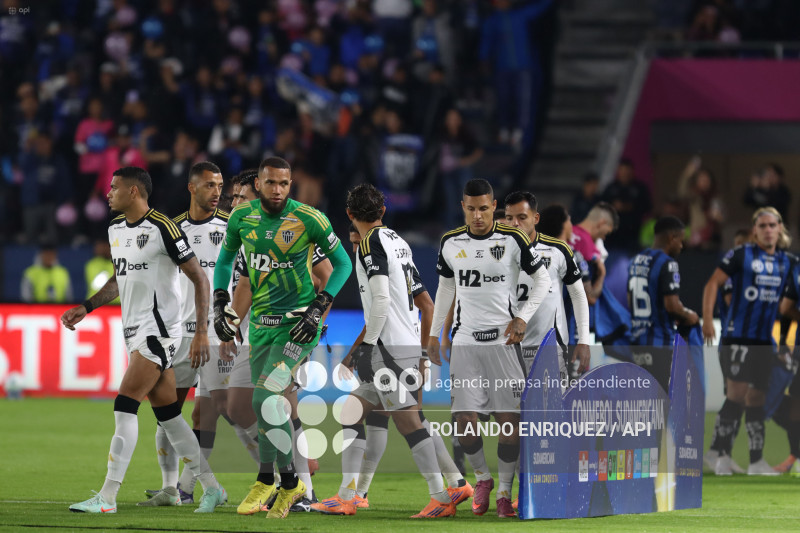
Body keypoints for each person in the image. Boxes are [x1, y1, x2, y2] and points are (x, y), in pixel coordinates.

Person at [60, 166, 226, 513]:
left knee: (125, 404)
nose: (108, 193)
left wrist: (200, 332)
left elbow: (199, 279)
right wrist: (87, 306)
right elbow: (119, 279)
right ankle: (211, 487)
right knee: (169, 416)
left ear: (134, 192)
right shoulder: (115, 229)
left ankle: (107, 497)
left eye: (114, 187)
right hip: (134, 332)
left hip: (160, 333)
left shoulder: (164, 228)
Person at [212, 156, 352, 519]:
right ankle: (287, 483)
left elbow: (343, 265)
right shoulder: (243, 219)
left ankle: (278, 481)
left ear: (290, 185)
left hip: (297, 326)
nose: (277, 190)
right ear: (258, 185)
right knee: (264, 405)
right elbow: (227, 264)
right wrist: (221, 304)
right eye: (271, 183)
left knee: (264, 396)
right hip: (261, 325)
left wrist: (320, 306)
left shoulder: (309, 219)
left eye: (284, 184)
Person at [311, 184, 456, 518]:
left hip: (389, 348)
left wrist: (367, 347)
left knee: (410, 424)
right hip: (402, 342)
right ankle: (349, 495)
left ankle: (441, 496)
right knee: (352, 410)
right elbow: (419, 298)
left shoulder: (369, 244)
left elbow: (381, 301)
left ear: (349, 214)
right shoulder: (398, 241)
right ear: (383, 212)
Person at [427, 178, 551, 518]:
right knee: (464, 422)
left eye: (484, 208)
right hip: (465, 341)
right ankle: (482, 479)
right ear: (463, 208)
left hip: (503, 341)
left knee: (510, 423)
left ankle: (505, 494)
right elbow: (446, 289)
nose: (478, 215)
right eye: (471, 209)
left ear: (493, 206)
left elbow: (542, 280)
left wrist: (523, 317)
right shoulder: (451, 242)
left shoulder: (512, 239)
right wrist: (435, 333)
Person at [334, 222, 473, 512]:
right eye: (352, 244)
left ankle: (441, 492)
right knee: (381, 417)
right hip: (399, 350)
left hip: (393, 354)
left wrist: (420, 356)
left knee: (408, 421)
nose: (356, 249)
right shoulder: (399, 260)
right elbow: (415, 307)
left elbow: (401, 311)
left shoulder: (379, 260)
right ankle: (455, 483)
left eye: (358, 242)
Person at [139, 162, 256, 506]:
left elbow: (245, 281)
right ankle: (173, 489)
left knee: (227, 411)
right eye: (209, 185)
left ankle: (281, 477)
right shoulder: (172, 229)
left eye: (220, 185)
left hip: (218, 336)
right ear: (192, 188)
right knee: (166, 411)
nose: (217, 191)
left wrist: (232, 325)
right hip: (179, 337)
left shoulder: (233, 228)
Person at [702, 207, 797, 475]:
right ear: (755, 230)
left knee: (756, 399)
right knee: (736, 397)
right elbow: (712, 284)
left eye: (772, 225)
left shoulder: (788, 261)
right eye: (763, 226)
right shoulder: (741, 254)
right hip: (737, 337)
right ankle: (720, 454)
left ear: (780, 229)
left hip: (764, 341)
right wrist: (708, 320)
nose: (768, 230)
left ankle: (756, 461)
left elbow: (790, 301)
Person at [503, 191, 591, 380]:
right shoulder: (497, 253)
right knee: (511, 410)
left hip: (550, 348)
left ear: (536, 218)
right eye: (509, 218)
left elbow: (578, 295)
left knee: (551, 409)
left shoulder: (558, 250)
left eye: (522, 217)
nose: (515, 223)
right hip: (508, 349)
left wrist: (583, 341)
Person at [626, 216, 699, 391]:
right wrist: (690, 316)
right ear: (672, 237)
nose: (681, 246)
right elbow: (672, 307)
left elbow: (630, 301)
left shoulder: (635, 260)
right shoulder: (668, 264)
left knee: (641, 400)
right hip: (660, 343)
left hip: (636, 342)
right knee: (661, 402)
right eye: (681, 241)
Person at [84, 239, 119, 304]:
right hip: (94, 305)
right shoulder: (92, 264)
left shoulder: (119, 263)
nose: (97, 248)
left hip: (117, 306)